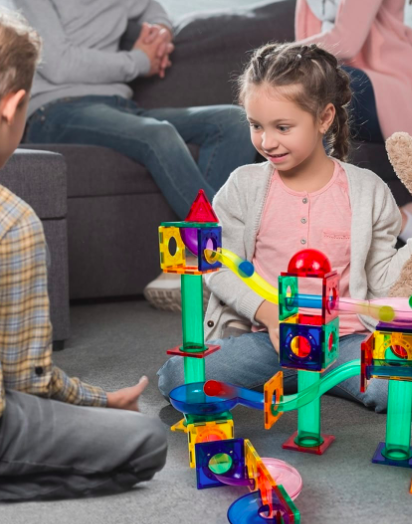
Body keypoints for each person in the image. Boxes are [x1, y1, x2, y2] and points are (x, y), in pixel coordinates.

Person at [157, 43, 412, 413]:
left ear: (324, 117)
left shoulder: (368, 191)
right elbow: (218, 266)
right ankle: (307, 379)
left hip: (344, 340)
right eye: (255, 126)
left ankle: (322, 378)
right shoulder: (243, 186)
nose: (266, 141)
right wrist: (269, 314)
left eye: (282, 127)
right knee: (177, 378)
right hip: (268, 340)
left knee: (399, 388)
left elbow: (381, 279)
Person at [0, 10, 167, 502]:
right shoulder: (13, 221)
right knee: (146, 439)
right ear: (15, 107)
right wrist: (99, 401)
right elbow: (25, 385)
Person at [15, 0, 258, 312]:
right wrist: (139, 61)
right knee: (159, 134)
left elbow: (152, 8)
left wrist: (161, 32)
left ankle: (191, 260)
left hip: (119, 105)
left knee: (233, 121)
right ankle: (236, 252)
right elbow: (59, 63)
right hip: (56, 109)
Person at [294, 0, 412, 241]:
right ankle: (314, 212)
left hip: (385, 81)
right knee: (302, 88)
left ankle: (332, 216)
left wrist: (276, 56)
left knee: (319, 86)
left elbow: (345, 42)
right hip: (338, 76)